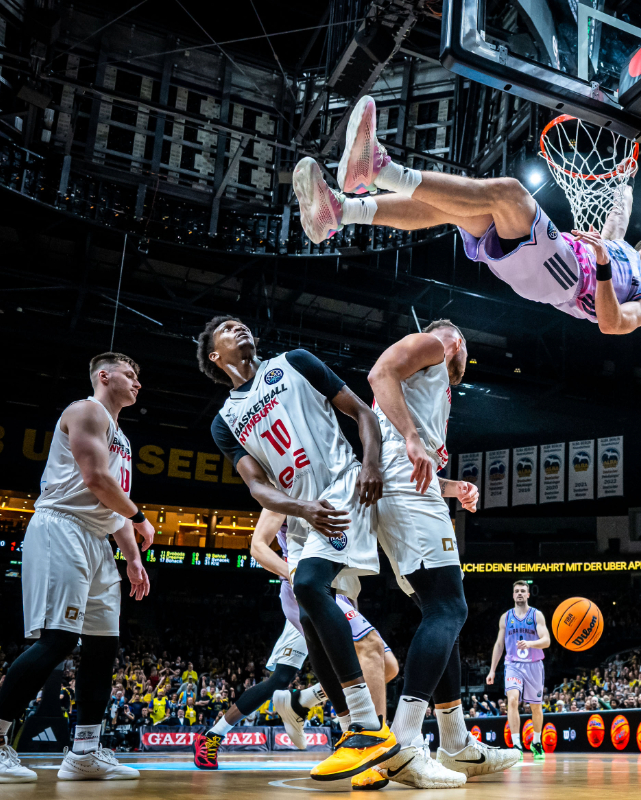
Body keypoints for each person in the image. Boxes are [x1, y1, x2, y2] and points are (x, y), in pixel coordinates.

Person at [293, 95, 641, 335]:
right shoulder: (618, 247)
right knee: (452, 208)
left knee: (510, 193)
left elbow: (613, 325)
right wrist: (630, 164)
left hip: (567, 277)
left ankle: (378, 171)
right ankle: (341, 212)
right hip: (552, 262)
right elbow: (619, 210)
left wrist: (600, 268)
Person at [197, 316, 396, 782]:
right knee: (311, 621)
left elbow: (363, 414)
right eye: (226, 327)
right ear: (214, 355)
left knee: (308, 587)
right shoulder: (224, 423)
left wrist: (370, 464)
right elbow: (260, 491)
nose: (238, 326)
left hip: (344, 487)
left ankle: (369, 726)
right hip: (308, 514)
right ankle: (354, 740)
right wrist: (302, 509)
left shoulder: (295, 363)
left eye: (241, 323)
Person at [368, 321, 519, 787]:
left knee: (443, 613)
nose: (459, 346)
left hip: (413, 491)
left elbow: (409, 452)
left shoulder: (431, 385)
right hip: (405, 491)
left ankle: (454, 744)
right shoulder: (436, 342)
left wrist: (453, 489)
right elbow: (379, 374)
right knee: (450, 608)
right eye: (460, 340)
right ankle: (405, 742)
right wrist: (414, 438)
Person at [0, 352, 153, 782]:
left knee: (103, 647)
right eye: (130, 374)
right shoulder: (86, 410)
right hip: (62, 528)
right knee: (59, 640)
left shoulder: (121, 434)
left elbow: (112, 502)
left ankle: (85, 752)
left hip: (97, 540)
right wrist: (141, 518)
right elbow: (96, 481)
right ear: (104, 376)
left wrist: (134, 559)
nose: (137, 382)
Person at [193, 511, 399, 790]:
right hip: (307, 592)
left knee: (381, 667)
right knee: (283, 679)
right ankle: (215, 734)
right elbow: (259, 545)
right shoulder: (294, 488)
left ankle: (303, 701)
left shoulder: (346, 494)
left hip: (333, 595)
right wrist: (295, 573)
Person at [486, 580, 551, 762]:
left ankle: (536, 742)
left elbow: (546, 641)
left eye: (523, 590)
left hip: (534, 664)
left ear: (528, 595)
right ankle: (516, 745)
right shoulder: (505, 618)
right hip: (513, 664)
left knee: (536, 707)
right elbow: (499, 645)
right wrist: (492, 670)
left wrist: (530, 643)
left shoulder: (536, 616)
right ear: (513, 595)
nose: (520, 593)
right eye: (517, 591)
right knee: (512, 700)